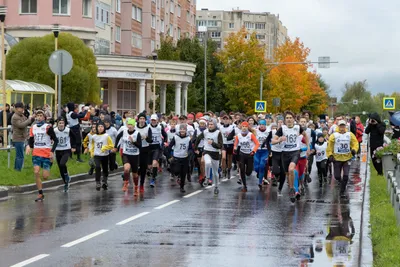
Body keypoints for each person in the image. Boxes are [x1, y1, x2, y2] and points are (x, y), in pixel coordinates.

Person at [272, 111, 309, 203]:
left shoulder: (297, 127)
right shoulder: (282, 129)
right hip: (284, 153)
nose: (289, 119)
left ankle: (292, 189)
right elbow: (273, 141)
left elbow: (305, 135)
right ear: (285, 120)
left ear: (293, 119)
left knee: (291, 169)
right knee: (288, 174)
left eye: (290, 118)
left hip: (295, 152)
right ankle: (291, 188)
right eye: (287, 118)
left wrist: (307, 147)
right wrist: (280, 139)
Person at [26, 110, 59, 201]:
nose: (39, 117)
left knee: (45, 176)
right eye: (38, 116)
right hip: (36, 153)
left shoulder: (48, 127)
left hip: (46, 153)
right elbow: (31, 139)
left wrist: (52, 151)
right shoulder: (33, 127)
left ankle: (51, 162)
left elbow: (56, 140)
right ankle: (40, 194)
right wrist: (28, 146)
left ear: (44, 117)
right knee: (36, 172)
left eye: (41, 116)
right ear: (36, 117)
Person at [327, 120, 359, 198]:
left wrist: (354, 150)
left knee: (346, 175)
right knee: (337, 176)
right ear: (338, 126)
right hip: (337, 158)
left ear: (345, 127)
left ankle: (342, 191)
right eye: (340, 126)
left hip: (347, 158)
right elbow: (329, 146)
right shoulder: (334, 135)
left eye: (343, 126)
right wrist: (330, 155)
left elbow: (355, 143)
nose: (342, 128)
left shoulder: (350, 135)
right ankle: (342, 183)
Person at [194, 118, 223, 195]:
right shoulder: (205, 132)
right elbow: (198, 139)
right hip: (207, 151)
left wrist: (213, 143)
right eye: (209, 124)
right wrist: (195, 148)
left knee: (215, 173)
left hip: (215, 153)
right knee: (207, 163)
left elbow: (220, 146)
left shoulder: (218, 133)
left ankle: (216, 187)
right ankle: (207, 178)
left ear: (215, 125)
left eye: (212, 124)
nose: (210, 126)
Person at [114, 118, 142, 195]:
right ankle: (126, 183)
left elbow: (140, 146)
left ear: (134, 126)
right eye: (128, 125)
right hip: (126, 154)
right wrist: (115, 146)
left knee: (135, 174)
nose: (130, 126)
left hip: (135, 155)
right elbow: (118, 137)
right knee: (126, 169)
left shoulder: (137, 134)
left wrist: (133, 142)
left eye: (131, 125)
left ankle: (136, 187)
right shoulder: (124, 132)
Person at [234, 121, 260, 192]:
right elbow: (235, 144)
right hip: (242, 154)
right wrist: (235, 149)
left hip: (249, 154)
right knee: (241, 169)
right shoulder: (238, 135)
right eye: (243, 126)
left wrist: (253, 151)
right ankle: (244, 186)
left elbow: (257, 144)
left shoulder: (251, 135)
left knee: (248, 172)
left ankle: (247, 174)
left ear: (247, 127)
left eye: (245, 126)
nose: (244, 128)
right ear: (241, 127)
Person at [90, 121, 114, 191]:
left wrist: (105, 147)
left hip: (105, 155)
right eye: (99, 127)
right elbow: (92, 145)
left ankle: (105, 181)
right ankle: (98, 182)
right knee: (97, 167)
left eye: (102, 127)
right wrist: (91, 153)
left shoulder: (106, 136)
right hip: (97, 155)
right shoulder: (94, 137)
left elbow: (111, 145)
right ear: (97, 128)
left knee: (105, 169)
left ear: (104, 128)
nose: (100, 128)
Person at [54, 117, 77, 192]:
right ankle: (66, 183)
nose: (61, 125)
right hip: (58, 150)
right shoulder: (55, 130)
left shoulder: (68, 130)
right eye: (60, 123)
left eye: (62, 123)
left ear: (64, 124)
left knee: (62, 163)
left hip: (66, 149)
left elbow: (74, 137)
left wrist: (73, 146)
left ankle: (66, 175)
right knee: (60, 169)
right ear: (57, 124)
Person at [168, 124, 193, 193]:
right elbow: (170, 146)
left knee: (183, 173)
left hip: (184, 157)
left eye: (184, 129)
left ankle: (182, 187)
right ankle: (177, 175)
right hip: (176, 157)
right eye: (181, 129)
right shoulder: (176, 137)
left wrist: (189, 153)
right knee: (176, 170)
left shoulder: (188, 138)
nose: (182, 130)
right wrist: (169, 156)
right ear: (179, 130)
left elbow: (191, 149)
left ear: (186, 130)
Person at [11, 102, 35, 171]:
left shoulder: (21, 115)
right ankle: (18, 170)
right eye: (21, 107)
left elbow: (27, 122)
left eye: (23, 107)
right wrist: (29, 120)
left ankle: (16, 170)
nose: (22, 109)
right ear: (17, 108)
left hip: (22, 138)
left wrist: (31, 118)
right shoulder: (15, 117)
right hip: (18, 138)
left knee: (19, 155)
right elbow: (21, 125)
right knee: (20, 156)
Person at [148, 114, 168, 188]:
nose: (153, 121)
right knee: (149, 166)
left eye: (154, 120)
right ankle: (153, 173)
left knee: (154, 163)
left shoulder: (160, 127)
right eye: (152, 120)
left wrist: (165, 142)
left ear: (157, 121)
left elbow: (165, 135)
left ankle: (153, 179)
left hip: (157, 147)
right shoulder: (148, 127)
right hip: (149, 147)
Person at [135, 113, 153, 192]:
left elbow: (151, 140)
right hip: (135, 150)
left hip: (145, 149)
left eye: (143, 119)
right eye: (140, 119)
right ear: (138, 120)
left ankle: (141, 184)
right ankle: (136, 184)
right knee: (136, 168)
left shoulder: (148, 128)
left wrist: (146, 137)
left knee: (143, 168)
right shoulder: (135, 127)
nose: (142, 120)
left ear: (145, 120)